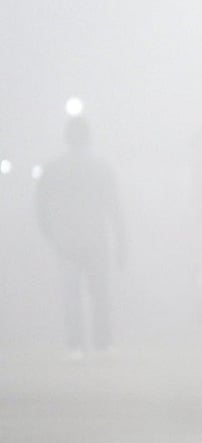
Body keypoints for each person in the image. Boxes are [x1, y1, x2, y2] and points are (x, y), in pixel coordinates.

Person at [35, 116, 126, 358]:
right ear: (89, 137)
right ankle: (103, 344)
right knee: (100, 293)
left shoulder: (54, 168)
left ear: (66, 138)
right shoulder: (102, 167)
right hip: (96, 237)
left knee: (71, 295)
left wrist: (51, 234)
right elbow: (115, 207)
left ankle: (75, 346)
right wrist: (121, 241)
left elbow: (41, 205)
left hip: (67, 240)